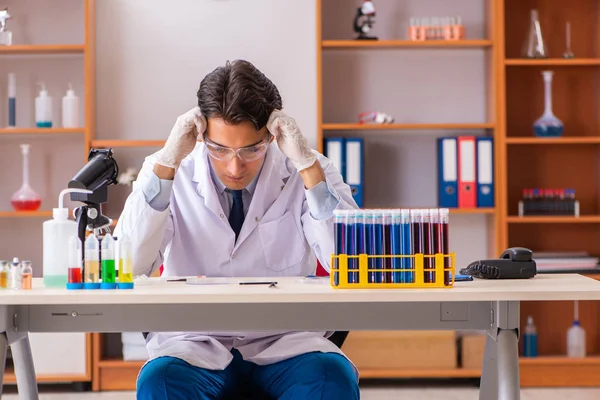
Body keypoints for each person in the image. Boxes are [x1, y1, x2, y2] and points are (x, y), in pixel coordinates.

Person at [114, 59, 360, 400]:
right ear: (200, 134)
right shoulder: (169, 170)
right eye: (219, 149)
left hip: (286, 342)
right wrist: (167, 164)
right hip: (194, 343)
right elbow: (126, 265)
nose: (234, 166)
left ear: (272, 135)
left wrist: (308, 168)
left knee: (330, 380)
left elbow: (353, 264)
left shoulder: (310, 169)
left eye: (251, 149)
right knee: (161, 384)